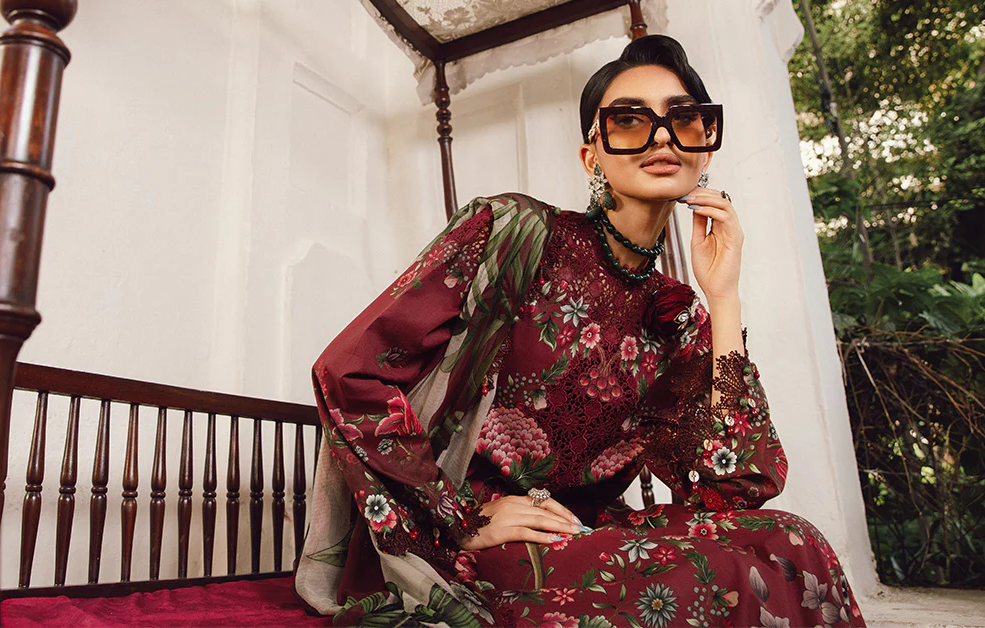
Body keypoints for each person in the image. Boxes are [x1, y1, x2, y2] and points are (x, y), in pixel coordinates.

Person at [295, 35, 865, 628]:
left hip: (585, 531)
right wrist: (459, 516)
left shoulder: (675, 316)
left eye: (683, 119)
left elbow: (737, 483)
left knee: (794, 541)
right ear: (591, 157)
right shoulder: (512, 233)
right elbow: (348, 370)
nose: (662, 137)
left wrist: (723, 299)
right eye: (628, 121)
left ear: (704, 148)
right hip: (469, 540)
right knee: (710, 577)